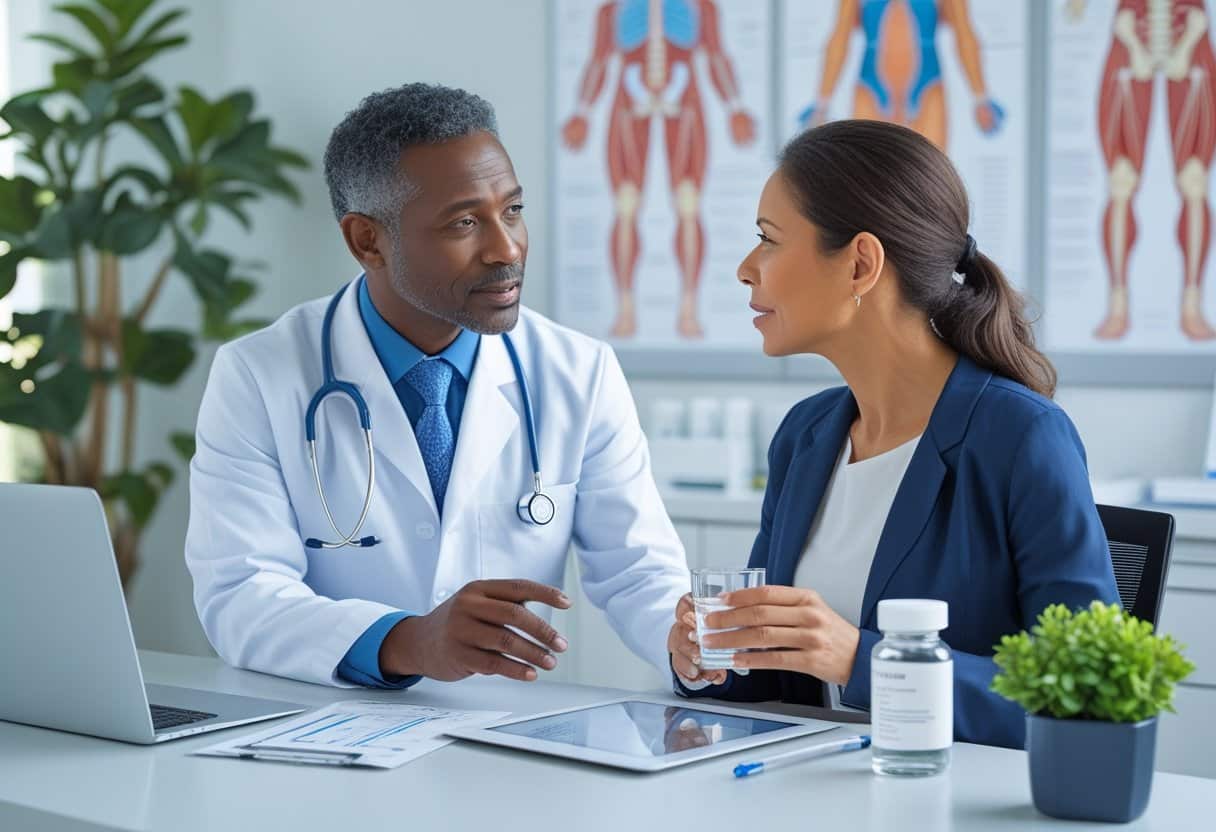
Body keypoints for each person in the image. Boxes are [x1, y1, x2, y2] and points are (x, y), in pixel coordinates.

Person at [186, 83, 690, 690]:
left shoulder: (578, 371)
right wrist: (410, 641)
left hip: (512, 745)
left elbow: (638, 571)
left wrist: (688, 641)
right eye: (464, 223)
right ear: (366, 240)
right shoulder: (259, 375)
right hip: (333, 739)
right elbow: (241, 595)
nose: (506, 249)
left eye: (512, 210)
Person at [666, 120, 1120, 749]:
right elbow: (768, 675)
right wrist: (706, 657)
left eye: (768, 240)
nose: (746, 269)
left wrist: (863, 659)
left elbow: (1086, 695)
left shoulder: (1023, 438)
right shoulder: (805, 436)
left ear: (860, 264)